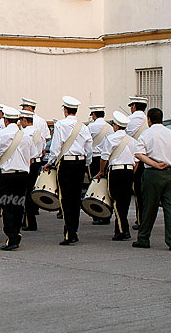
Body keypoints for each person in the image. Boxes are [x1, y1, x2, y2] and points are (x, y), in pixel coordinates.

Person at [132, 108, 171, 251]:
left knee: (149, 207)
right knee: (170, 207)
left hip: (153, 174)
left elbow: (138, 154)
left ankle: (144, 238)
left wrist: (154, 163)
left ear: (149, 119)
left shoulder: (146, 133)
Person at [44, 96, 92, 245]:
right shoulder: (83, 127)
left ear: (65, 110)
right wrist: (87, 163)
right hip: (80, 163)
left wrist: (50, 162)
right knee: (76, 198)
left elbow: (56, 147)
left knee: (65, 199)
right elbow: (88, 148)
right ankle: (74, 231)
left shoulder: (60, 125)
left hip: (66, 164)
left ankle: (69, 233)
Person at [0, 106, 32, 251]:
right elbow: (31, 157)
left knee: (7, 206)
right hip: (23, 174)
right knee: (18, 205)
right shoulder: (26, 136)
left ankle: (11, 237)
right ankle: (16, 232)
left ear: (5, 120)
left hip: (7, 175)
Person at [94, 111, 136, 241]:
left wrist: (101, 171)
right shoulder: (132, 140)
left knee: (116, 201)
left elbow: (104, 158)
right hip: (129, 171)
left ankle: (123, 230)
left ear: (116, 126)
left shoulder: (111, 139)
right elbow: (137, 160)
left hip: (116, 171)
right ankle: (121, 228)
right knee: (125, 201)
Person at [87, 105, 113, 225]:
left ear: (94, 115)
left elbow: (87, 144)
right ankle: (107, 213)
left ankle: (96, 214)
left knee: (95, 186)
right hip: (106, 158)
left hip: (95, 158)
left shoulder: (91, 127)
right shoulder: (110, 127)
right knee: (106, 186)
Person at [126, 96, 149, 230]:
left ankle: (140, 220)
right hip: (148, 158)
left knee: (138, 192)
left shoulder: (130, 120)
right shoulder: (147, 119)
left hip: (136, 159)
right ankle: (144, 218)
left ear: (134, 107)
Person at [19, 110, 43, 232]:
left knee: (26, 193)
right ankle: (30, 219)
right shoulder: (39, 132)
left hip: (28, 163)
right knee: (32, 191)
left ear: (24, 120)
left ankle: (29, 221)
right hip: (37, 162)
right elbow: (43, 150)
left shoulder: (24, 134)